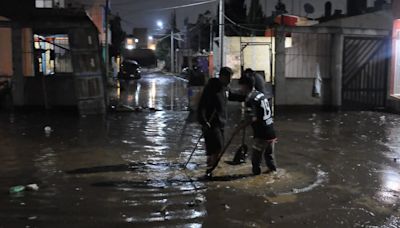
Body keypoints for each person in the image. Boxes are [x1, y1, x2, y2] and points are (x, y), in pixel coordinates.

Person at [197, 66, 243, 178]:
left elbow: (231, 96)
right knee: (218, 147)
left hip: (221, 122)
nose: (230, 81)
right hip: (210, 123)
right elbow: (201, 105)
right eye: (228, 78)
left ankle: (210, 169)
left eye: (231, 79)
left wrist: (246, 97)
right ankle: (211, 170)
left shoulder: (225, 88)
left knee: (213, 149)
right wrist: (203, 121)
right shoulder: (211, 88)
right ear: (222, 77)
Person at [238, 75, 277, 175]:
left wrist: (239, 128)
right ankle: (274, 174)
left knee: (256, 160)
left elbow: (251, 118)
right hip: (271, 132)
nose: (240, 89)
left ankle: (256, 178)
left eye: (241, 86)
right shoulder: (260, 95)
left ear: (245, 86)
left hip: (261, 135)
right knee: (269, 157)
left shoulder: (250, 99)